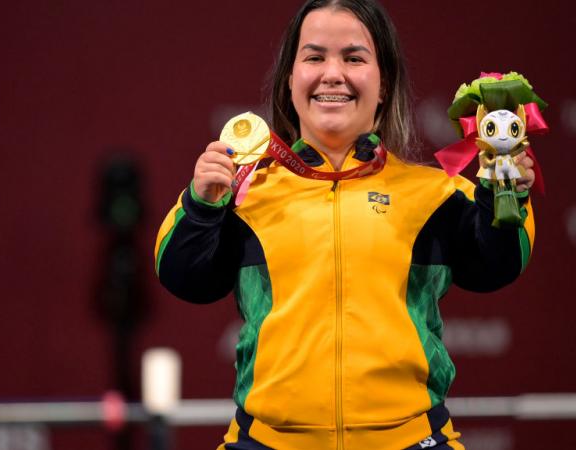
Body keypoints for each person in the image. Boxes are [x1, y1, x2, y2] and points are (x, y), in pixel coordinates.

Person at [154, 0, 536, 448]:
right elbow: (183, 277)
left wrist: (504, 192)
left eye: (353, 58)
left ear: (383, 84)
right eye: (314, 57)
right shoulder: (244, 193)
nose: (332, 73)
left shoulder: (435, 194)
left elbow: (499, 263)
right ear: (290, 82)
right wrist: (202, 206)